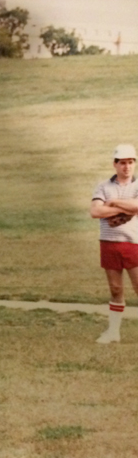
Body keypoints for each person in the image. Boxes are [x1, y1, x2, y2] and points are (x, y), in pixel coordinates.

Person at [90, 144, 138, 343]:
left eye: (130, 162)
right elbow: (95, 212)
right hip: (109, 243)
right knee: (116, 289)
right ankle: (113, 332)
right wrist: (125, 208)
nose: (126, 167)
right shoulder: (103, 186)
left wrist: (112, 203)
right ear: (115, 164)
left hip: (133, 243)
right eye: (122, 163)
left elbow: (137, 206)